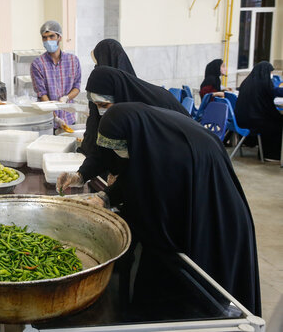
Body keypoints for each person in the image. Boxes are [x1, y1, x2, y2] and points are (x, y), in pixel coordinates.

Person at [61, 103, 261, 316]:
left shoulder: (171, 151)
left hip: (215, 214)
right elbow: (136, 171)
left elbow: (157, 211)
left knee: (205, 293)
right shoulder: (147, 135)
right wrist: (105, 196)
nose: (119, 154)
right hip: (192, 201)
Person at [62, 66, 187, 190]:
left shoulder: (157, 106)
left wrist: (122, 181)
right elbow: (103, 149)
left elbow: (151, 160)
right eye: (97, 106)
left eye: (104, 105)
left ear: (118, 95)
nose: (101, 111)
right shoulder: (116, 113)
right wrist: (81, 175)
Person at [81, 39, 136, 155]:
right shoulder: (131, 83)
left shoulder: (101, 84)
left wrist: (86, 150)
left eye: (98, 63)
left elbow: (94, 126)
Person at [30, 20, 81, 129]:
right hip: (48, 122)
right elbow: (42, 94)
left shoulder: (73, 61)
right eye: (45, 37)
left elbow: (77, 87)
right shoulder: (37, 64)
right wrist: (55, 117)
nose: (48, 40)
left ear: (60, 37)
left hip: (69, 119)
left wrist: (66, 97)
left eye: (52, 36)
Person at [235, 61, 283, 161]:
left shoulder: (247, 82)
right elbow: (274, 91)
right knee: (278, 122)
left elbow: (273, 91)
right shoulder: (263, 83)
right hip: (253, 121)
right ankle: (270, 154)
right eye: (270, 72)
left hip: (241, 119)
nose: (271, 75)